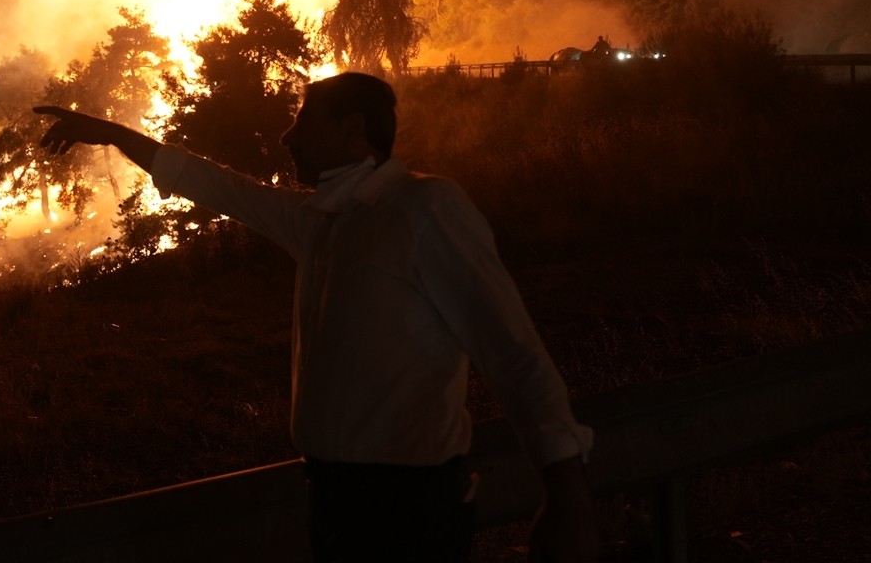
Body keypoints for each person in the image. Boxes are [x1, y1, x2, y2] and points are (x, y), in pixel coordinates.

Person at [35, 72, 599, 561]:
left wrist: (567, 497)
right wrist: (111, 133)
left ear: (353, 130)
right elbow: (213, 184)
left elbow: (513, 352)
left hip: (410, 508)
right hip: (336, 499)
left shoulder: (425, 207)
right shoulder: (320, 219)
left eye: (305, 119)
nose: (288, 135)